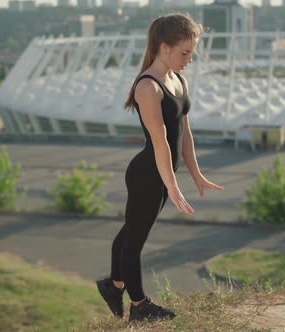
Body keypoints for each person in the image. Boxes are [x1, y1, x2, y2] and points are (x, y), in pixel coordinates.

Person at [96, 13, 224, 322]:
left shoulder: (178, 80)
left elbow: (184, 134)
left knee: (130, 231)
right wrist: (172, 185)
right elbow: (161, 142)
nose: (189, 60)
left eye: (191, 53)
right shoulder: (148, 87)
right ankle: (139, 306)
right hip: (147, 174)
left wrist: (196, 174)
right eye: (185, 52)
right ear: (163, 47)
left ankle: (112, 285)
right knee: (135, 240)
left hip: (162, 174)